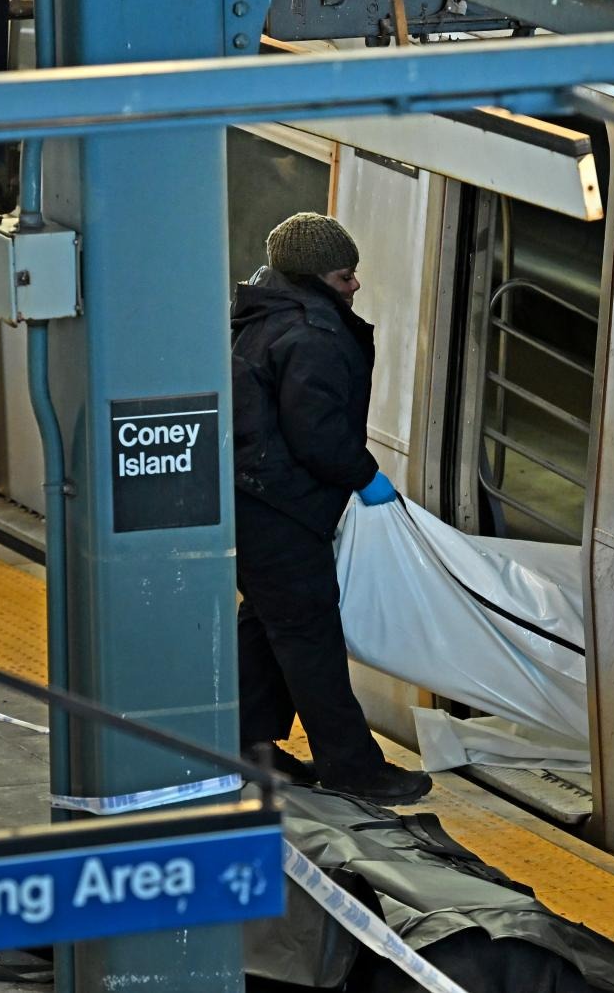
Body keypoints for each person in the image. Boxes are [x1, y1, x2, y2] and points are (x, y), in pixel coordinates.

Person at [230, 212, 432, 804]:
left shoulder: (264, 311)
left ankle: (243, 744)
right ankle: (353, 768)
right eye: (347, 277)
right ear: (318, 278)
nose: (356, 287)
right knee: (309, 635)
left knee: (270, 622)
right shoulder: (311, 334)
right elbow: (316, 434)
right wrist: (365, 476)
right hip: (281, 506)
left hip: (256, 499)